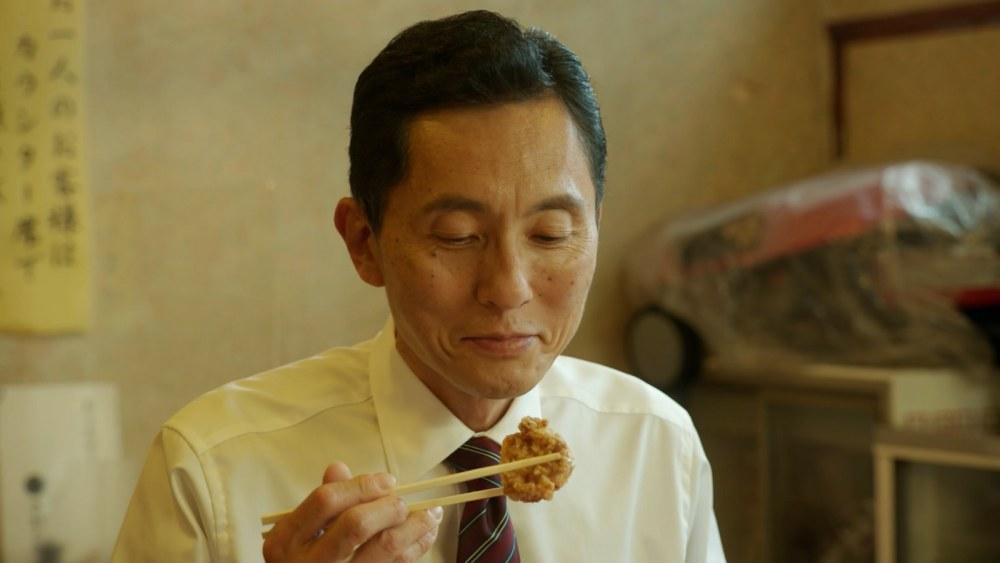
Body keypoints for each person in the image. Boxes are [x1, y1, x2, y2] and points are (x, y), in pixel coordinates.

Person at [112, 10, 725, 563]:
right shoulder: (211, 470)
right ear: (364, 242)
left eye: (550, 233)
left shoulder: (654, 446)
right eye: (458, 236)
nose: (508, 288)